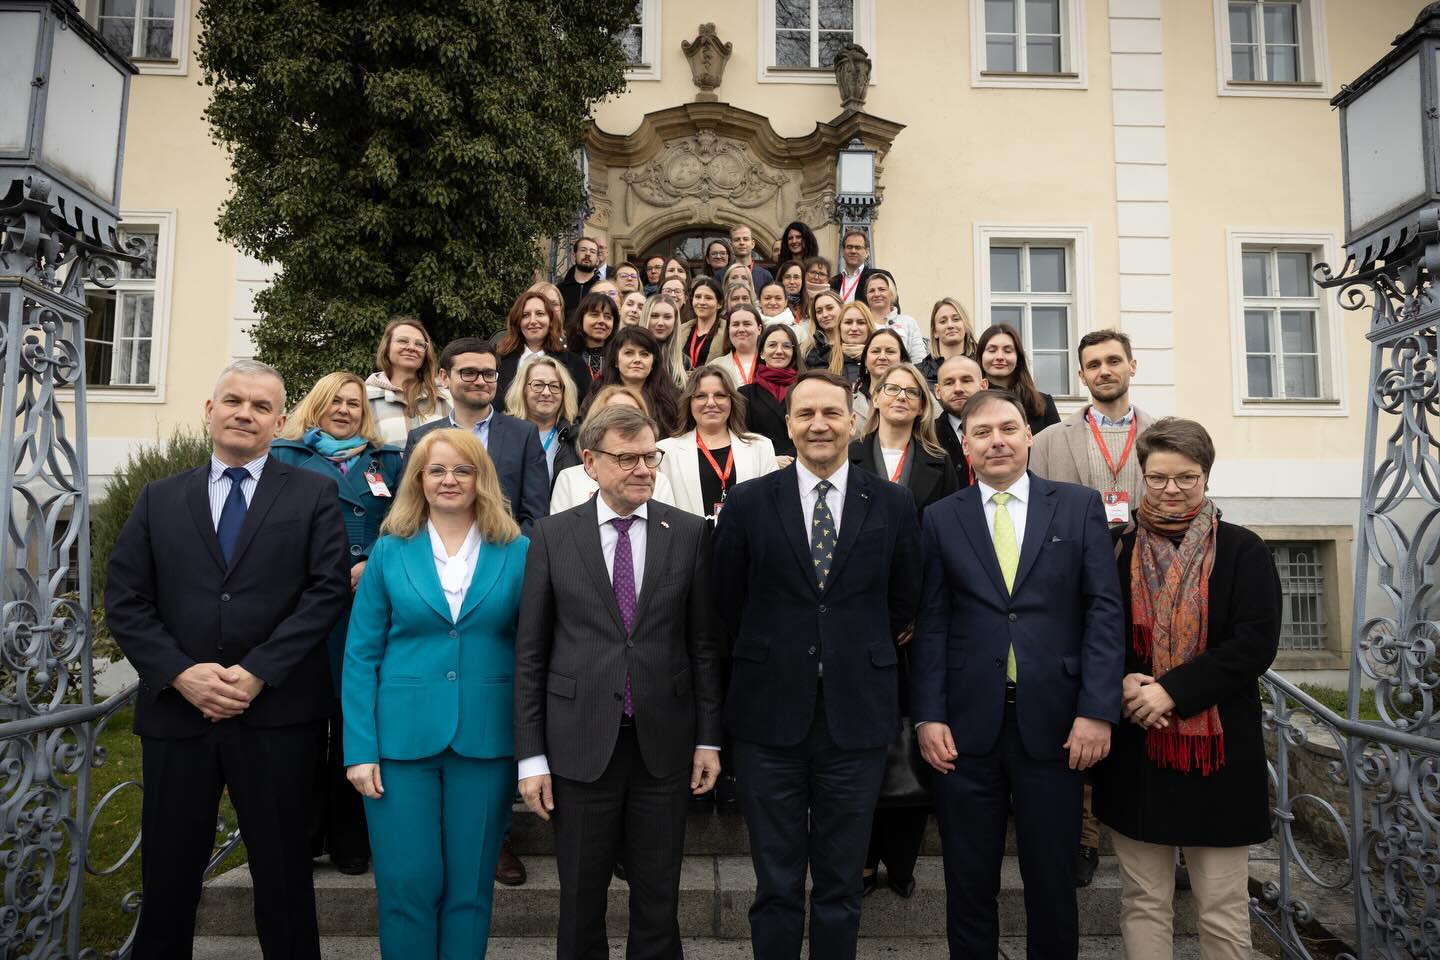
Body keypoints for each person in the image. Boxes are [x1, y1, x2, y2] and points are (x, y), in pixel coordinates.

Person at [105, 359, 350, 958]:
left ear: (281, 421)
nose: (246, 413)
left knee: (285, 875)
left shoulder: (314, 493)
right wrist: (181, 673)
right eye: (234, 401)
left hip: (277, 717)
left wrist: (259, 671)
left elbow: (325, 590)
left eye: (262, 406)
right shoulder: (159, 498)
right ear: (209, 411)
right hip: (178, 716)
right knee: (167, 874)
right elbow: (126, 599)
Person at [711, 369, 922, 960]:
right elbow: (726, 599)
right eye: (806, 414)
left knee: (840, 883)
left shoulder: (892, 502)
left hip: (855, 720)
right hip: (767, 718)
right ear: (788, 424)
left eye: (832, 413)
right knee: (775, 883)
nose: (819, 424)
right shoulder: (751, 501)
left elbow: (906, 597)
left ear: (853, 422)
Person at [911, 388, 1124, 959]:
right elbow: (931, 623)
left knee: (1053, 879)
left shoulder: (1078, 506)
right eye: (982, 432)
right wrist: (927, 715)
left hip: (1057, 727)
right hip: (964, 730)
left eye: (1008, 428)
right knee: (968, 881)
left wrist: (1097, 710)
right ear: (965, 445)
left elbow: (1104, 611)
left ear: (1029, 435)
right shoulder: (939, 518)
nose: (997, 440)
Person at [513, 403, 724, 960]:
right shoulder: (553, 535)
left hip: (663, 745)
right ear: (590, 463)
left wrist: (708, 738)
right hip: (580, 745)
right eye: (625, 458)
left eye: (649, 457)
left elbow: (703, 648)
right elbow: (531, 653)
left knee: (659, 897)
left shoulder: (687, 533)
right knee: (581, 899)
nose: (642, 469)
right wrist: (531, 757)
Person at [1091, 418, 1281, 960]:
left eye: (1186, 477)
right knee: (1143, 899)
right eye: (1158, 478)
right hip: (1137, 749)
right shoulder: (1113, 548)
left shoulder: (1244, 549)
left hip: (1217, 755)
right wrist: (1123, 681)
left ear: (1206, 477)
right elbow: (1093, 631)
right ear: (1141, 477)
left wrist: (1171, 692)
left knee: (1221, 906)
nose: (1171, 489)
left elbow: (1253, 644)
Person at [342, 428, 528, 958]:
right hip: (398, 746)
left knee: (470, 891)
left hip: (485, 741)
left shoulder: (517, 551)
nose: (450, 480)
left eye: (462, 470)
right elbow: (360, 655)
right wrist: (360, 750)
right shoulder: (389, 550)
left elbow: (531, 651)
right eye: (437, 470)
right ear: (419, 480)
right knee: (406, 887)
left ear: (481, 479)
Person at [270, 371, 405, 877]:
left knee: (357, 723)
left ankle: (352, 841)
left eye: (353, 403)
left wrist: (373, 558)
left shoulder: (386, 461)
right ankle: (303, 838)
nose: (345, 410)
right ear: (317, 405)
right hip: (307, 606)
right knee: (306, 725)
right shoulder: (285, 456)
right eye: (335, 402)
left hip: (370, 603)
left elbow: (405, 516)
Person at [848, 361, 957, 899]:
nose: (898, 397)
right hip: (856, 623)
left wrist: (917, 614)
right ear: (874, 395)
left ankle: (903, 860)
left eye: (910, 392)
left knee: (911, 741)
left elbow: (947, 546)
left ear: (922, 405)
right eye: (890, 388)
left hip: (917, 625)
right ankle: (863, 859)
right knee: (863, 743)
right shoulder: (849, 457)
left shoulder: (941, 461)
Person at [405, 339, 549, 535]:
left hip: (503, 552)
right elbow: (410, 507)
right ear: (444, 377)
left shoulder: (524, 435)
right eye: (469, 373)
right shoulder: (421, 438)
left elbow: (535, 514)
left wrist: (511, 555)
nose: (481, 381)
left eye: (489, 374)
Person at [658, 364, 779, 525]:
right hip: (690, 547)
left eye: (720, 395)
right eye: (700, 396)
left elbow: (770, 507)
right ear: (689, 402)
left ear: (732, 401)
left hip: (745, 547)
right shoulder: (665, 452)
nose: (711, 403)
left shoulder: (761, 447)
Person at [550, 386, 676, 512]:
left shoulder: (658, 481)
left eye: (633, 413)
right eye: (626, 458)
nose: (642, 472)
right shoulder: (569, 478)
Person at [366, 317, 451, 445]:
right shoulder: (364, 396)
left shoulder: (446, 396)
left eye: (419, 344)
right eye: (402, 341)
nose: (411, 347)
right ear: (387, 347)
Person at [503, 355, 580, 484]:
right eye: (538, 385)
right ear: (523, 390)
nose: (546, 392)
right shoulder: (501, 433)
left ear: (564, 393)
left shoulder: (576, 439)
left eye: (554, 386)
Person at [591, 325, 682, 436]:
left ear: (653, 362)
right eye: (629, 353)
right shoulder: (597, 393)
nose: (637, 360)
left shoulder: (671, 398)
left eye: (644, 354)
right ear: (615, 361)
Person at [977, 322, 1061, 436]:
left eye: (1008, 351)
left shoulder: (1043, 403)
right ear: (980, 356)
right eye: (992, 350)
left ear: (1018, 358)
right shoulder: (971, 402)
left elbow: (1057, 449)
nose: (1000, 357)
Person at [740, 323, 804, 462]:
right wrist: (771, 460)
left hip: (802, 464)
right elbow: (742, 439)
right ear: (762, 353)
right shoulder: (745, 394)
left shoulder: (806, 390)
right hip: (762, 469)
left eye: (786, 346)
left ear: (793, 352)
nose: (779, 351)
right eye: (772, 345)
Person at [495, 289, 565, 401]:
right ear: (517, 322)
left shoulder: (573, 364)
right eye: (525, 315)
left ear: (551, 320)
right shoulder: (498, 362)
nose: (533, 321)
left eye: (540, 314)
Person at [931, 354, 988, 488]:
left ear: (983, 386)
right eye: (949, 383)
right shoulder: (926, 437)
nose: (958, 389)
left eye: (966, 380)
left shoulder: (1005, 431)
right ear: (938, 391)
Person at [849, 326, 909, 430]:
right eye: (875, 351)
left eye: (890, 351)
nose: (882, 357)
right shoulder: (849, 401)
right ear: (865, 360)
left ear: (902, 359)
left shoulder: (918, 395)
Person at [862, 270, 928, 365]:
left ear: (891, 293)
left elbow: (919, 360)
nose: (876, 294)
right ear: (866, 296)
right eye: (871, 291)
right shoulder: (861, 323)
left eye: (882, 289)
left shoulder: (908, 322)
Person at [561, 291, 619, 390]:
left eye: (607, 317)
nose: (601, 321)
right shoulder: (566, 357)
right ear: (581, 318)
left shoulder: (618, 358)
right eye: (594, 315)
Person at [918, 298, 979, 383]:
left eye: (956, 319)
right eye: (943, 321)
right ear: (935, 332)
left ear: (965, 326)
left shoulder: (981, 366)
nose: (950, 325)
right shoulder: (918, 374)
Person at [828, 300, 878, 387]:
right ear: (840, 327)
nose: (854, 328)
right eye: (848, 322)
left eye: (861, 322)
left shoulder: (881, 360)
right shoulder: (824, 360)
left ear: (869, 327)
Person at [641, 293, 687, 388]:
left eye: (667, 317)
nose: (660, 323)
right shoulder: (630, 355)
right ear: (645, 317)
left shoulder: (684, 362)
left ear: (675, 322)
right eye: (654, 316)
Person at [679, 276, 725, 371]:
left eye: (708, 298)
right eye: (698, 297)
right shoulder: (680, 330)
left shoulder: (728, 332)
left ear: (719, 304)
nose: (702, 302)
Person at [715, 305, 763, 388]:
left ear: (759, 329)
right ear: (728, 329)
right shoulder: (715, 366)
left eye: (747, 324)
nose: (741, 329)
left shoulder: (772, 363)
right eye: (735, 324)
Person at [830, 229, 877, 304]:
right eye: (849, 247)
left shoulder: (877, 276)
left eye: (858, 247)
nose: (853, 251)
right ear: (843, 251)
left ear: (867, 252)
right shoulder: (832, 282)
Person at [559, 236, 601, 316]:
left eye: (592, 252)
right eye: (583, 250)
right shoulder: (560, 290)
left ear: (597, 261)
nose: (588, 254)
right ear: (574, 256)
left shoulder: (602, 290)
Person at [803, 289, 844, 370]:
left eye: (829, 308)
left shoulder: (854, 345)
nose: (824, 315)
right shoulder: (805, 350)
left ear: (842, 309)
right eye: (819, 311)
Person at [728, 224, 774, 290]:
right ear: (731, 245)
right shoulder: (722, 275)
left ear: (752, 244)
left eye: (745, 239)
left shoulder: (765, 275)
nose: (741, 243)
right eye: (737, 240)